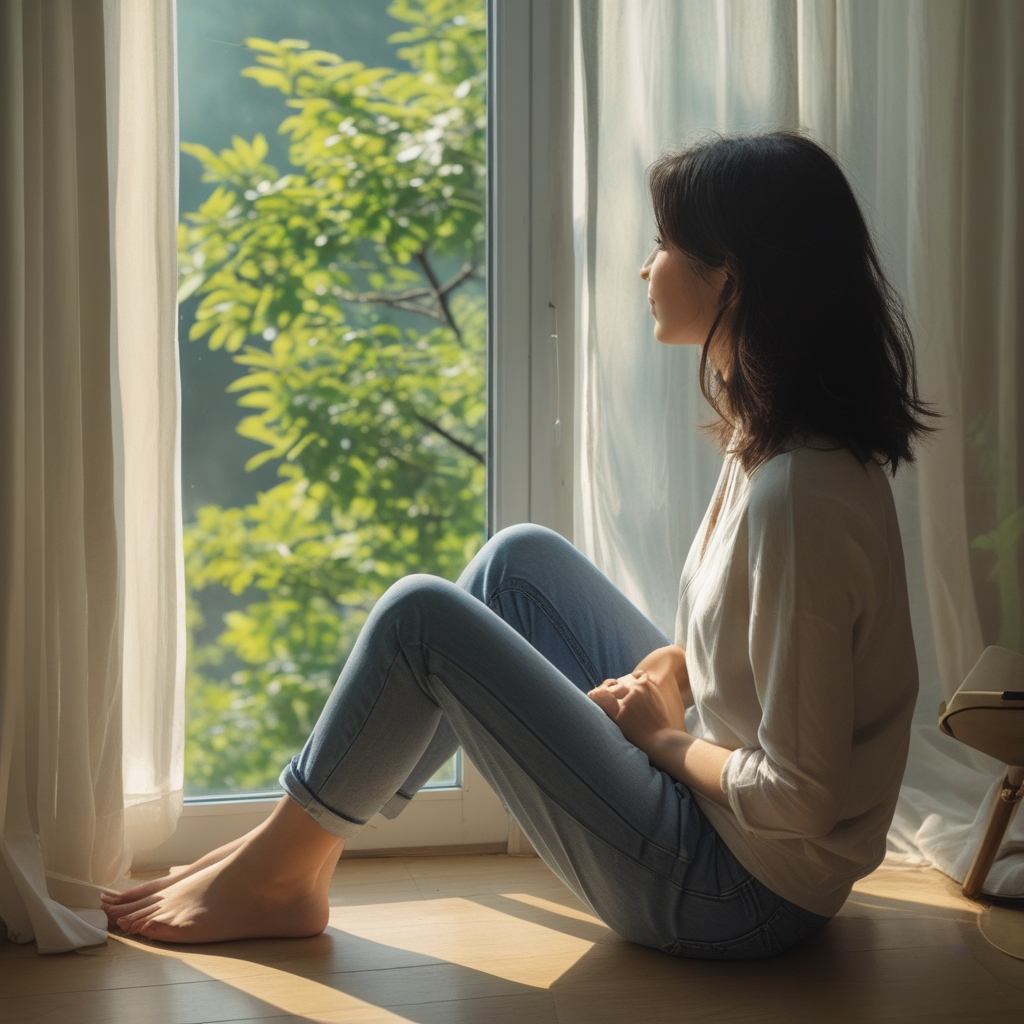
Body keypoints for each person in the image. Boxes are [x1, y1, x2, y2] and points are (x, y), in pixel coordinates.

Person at [101, 131, 930, 958]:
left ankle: (284, 863)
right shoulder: (770, 443)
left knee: (421, 618)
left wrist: (664, 740)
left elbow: (801, 799)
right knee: (516, 565)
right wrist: (679, 669)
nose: (646, 268)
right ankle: (294, 845)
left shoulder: (799, 496)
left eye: (665, 245)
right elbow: (775, 659)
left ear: (731, 280)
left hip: (742, 891)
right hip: (729, 832)